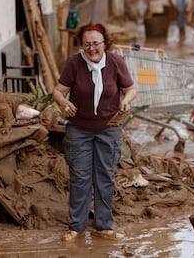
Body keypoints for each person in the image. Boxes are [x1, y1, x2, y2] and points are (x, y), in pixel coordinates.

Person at [52, 23, 137, 241]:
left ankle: (104, 225)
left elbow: (130, 89)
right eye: (87, 44)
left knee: (105, 177)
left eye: (96, 44)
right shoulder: (74, 63)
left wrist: (126, 101)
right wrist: (63, 102)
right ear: (82, 45)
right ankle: (76, 227)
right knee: (80, 177)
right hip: (79, 129)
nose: (92, 49)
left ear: (104, 44)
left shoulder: (116, 62)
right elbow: (58, 91)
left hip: (109, 129)